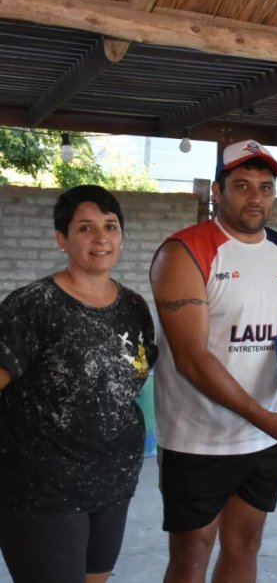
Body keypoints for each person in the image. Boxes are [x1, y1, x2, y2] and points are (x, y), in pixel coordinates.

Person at [150, 140, 277, 582]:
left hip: (262, 442)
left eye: (265, 187)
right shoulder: (184, 251)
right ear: (217, 190)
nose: (255, 197)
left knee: (245, 549)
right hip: (197, 440)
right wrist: (266, 419)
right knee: (191, 558)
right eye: (242, 185)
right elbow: (190, 358)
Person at [0, 185, 157, 583]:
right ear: (62, 240)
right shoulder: (32, 305)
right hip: (42, 491)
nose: (101, 237)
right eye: (85, 228)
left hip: (113, 484)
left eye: (111, 226)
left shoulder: (134, 307)